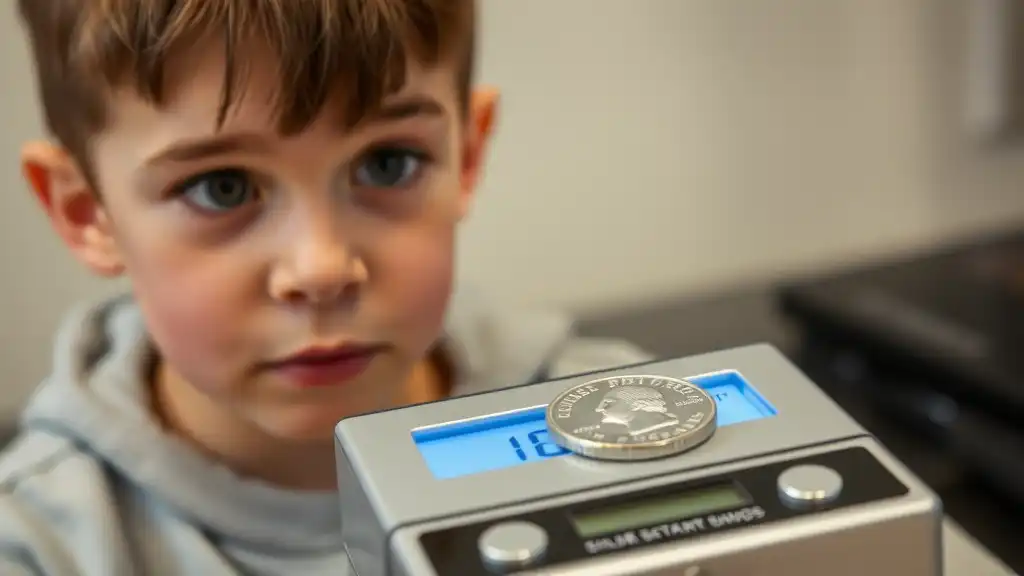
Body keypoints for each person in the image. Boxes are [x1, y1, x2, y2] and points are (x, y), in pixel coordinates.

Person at [0, 1, 651, 574]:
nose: (321, 269)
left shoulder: (637, 432)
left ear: (468, 155)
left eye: (386, 162)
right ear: (87, 212)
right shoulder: (37, 547)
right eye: (221, 187)